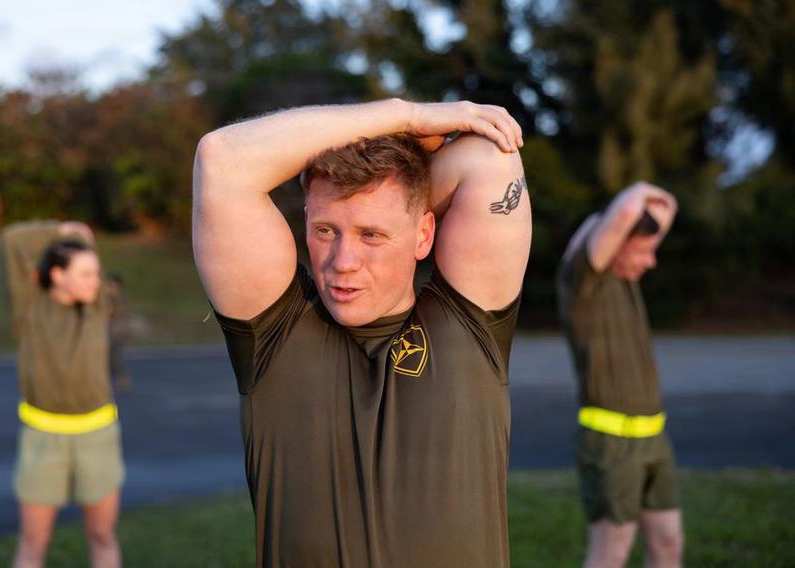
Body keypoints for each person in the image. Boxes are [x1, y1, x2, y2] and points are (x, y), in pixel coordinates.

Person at [192, 98, 530, 566]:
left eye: (372, 234)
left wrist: (399, 183)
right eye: (326, 230)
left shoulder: (467, 325)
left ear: (424, 235)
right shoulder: (276, 335)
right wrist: (404, 117)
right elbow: (223, 159)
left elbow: (491, 155)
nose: (343, 261)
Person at [556, 182, 682, 568]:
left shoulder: (628, 282)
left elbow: (667, 208)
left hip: (653, 436)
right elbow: (626, 211)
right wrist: (642, 188)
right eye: (643, 249)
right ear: (615, 243)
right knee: (612, 551)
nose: (650, 261)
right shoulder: (584, 283)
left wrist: (656, 206)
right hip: (611, 443)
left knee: (668, 542)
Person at [0, 220, 125, 568]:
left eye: (96, 274)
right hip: (43, 439)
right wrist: (57, 231)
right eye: (85, 274)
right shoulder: (30, 310)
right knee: (33, 543)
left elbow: (86, 245)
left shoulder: (96, 306)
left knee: (102, 536)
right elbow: (11, 240)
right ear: (57, 275)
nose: (95, 282)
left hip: (96, 437)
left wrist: (82, 240)